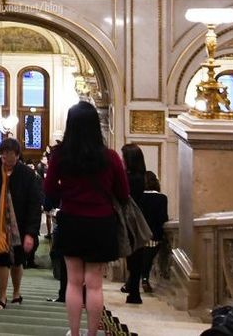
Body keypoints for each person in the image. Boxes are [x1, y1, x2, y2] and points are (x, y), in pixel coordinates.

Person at [44, 101, 128, 336]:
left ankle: (74, 332)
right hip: (101, 222)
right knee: (94, 284)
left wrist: (69, 194)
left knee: (73, 281)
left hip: (71, 220)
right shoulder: (109, 157)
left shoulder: (61, 155)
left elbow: (48, 188)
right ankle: (92, 334)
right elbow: (123, 193)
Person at [0, 138, 42, 309]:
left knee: (17, 261)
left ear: (17, 156)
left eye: (10, 157)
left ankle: (16, 292)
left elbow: (34, 204)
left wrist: (31, 232)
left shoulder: (27, 175)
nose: (6, 160)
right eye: (3, 156)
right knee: (1, 259)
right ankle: (2, 295)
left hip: (19, 224)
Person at [120, 143, 146, 304]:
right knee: (135, 256)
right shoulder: (141, 176)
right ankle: (132, 287)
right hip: (135, 219)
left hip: (130, 220)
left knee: (134, 256)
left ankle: (134, 290)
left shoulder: (130, 178)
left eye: (123, 157)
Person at [138, 171, 169, 293]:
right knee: (148, 258)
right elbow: (162, 218)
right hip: (154, 235)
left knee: (139, 259)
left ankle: (134, 280)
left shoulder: (138, 196)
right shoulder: (161, 198)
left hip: (139, 235)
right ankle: (145, 278)